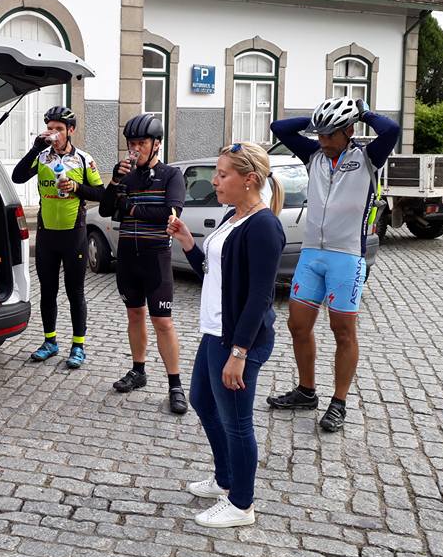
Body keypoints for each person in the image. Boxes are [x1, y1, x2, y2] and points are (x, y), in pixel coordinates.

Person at [167, 142, 285, 527]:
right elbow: (211, 273)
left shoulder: (263, 226)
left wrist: (239, 352)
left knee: (237, 422)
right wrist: (187, 241)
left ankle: (241, 504)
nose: (214, 181)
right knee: (202, 400)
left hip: (237, 340)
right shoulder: (231, 216)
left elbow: (260, 297)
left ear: (249, 179)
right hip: (215, 332)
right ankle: (225, 478)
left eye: (222, 174)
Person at [268, 97, 399, 432]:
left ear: (349, 131)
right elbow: (279, 128)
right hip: (312, 254)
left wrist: (363, 112)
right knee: (297, 326)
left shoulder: (368, 157)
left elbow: (391, 130)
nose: (323, 141)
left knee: (343, 332)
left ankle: (338, 402)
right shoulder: (314, 155)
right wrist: (314, 120)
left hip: (347, 256)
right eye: (320, 134)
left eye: (330, 134)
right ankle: (306, 391)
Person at [99, 114, 188, 414]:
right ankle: (138, 370)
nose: (135, 149)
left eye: (141, 143)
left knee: (163, 322)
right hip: (127, 256)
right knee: (135, 315)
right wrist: (114, 181)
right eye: (131, 143)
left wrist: (133, 208)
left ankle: (175, 384)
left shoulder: (171, 175)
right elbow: (105, 209)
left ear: (156, 144)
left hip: (156, 257)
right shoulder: (126, 176)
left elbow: (170, 214)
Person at [12, 106, 105, 368]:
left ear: (70, 130)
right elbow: (17, 177)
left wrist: (76, 187)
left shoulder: (83, 159)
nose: (53, 133)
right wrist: (34, 149)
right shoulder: (42, 157)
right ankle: (50, 342)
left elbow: (101, 193)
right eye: (50, 128)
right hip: (47, 235)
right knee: (48, 291)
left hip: (74, 234)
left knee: (75, 292)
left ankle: (78, 346)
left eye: (59, 129)